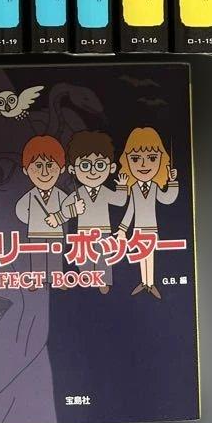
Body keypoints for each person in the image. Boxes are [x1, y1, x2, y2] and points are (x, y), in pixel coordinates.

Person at [61, 130, 128, 293]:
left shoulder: (104, 191)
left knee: (103, 257)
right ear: (73, 169)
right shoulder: (78, 193)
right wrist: (74, 209)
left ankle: (103, 280)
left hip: (103, 231)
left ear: (111, 168)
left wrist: (122, 186)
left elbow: (119, 201)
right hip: (83, 233)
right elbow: (64, 209)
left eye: (99, 165)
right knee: (83, 257)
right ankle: (85, 276)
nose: (92, 172)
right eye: (85, 165)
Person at [118, 127, 179, 300]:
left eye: (152, 158)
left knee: (149, 256)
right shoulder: (134, 188)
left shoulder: (155, 187)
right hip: (138, 230)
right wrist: (122, 229)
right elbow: (130, 210)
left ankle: (150, 283)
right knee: (141, 256)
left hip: (151, 229)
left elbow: (167, 198)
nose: (144, 165)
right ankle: (144, 282)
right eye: (136, 159)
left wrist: (172, 181)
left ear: (161, 160)